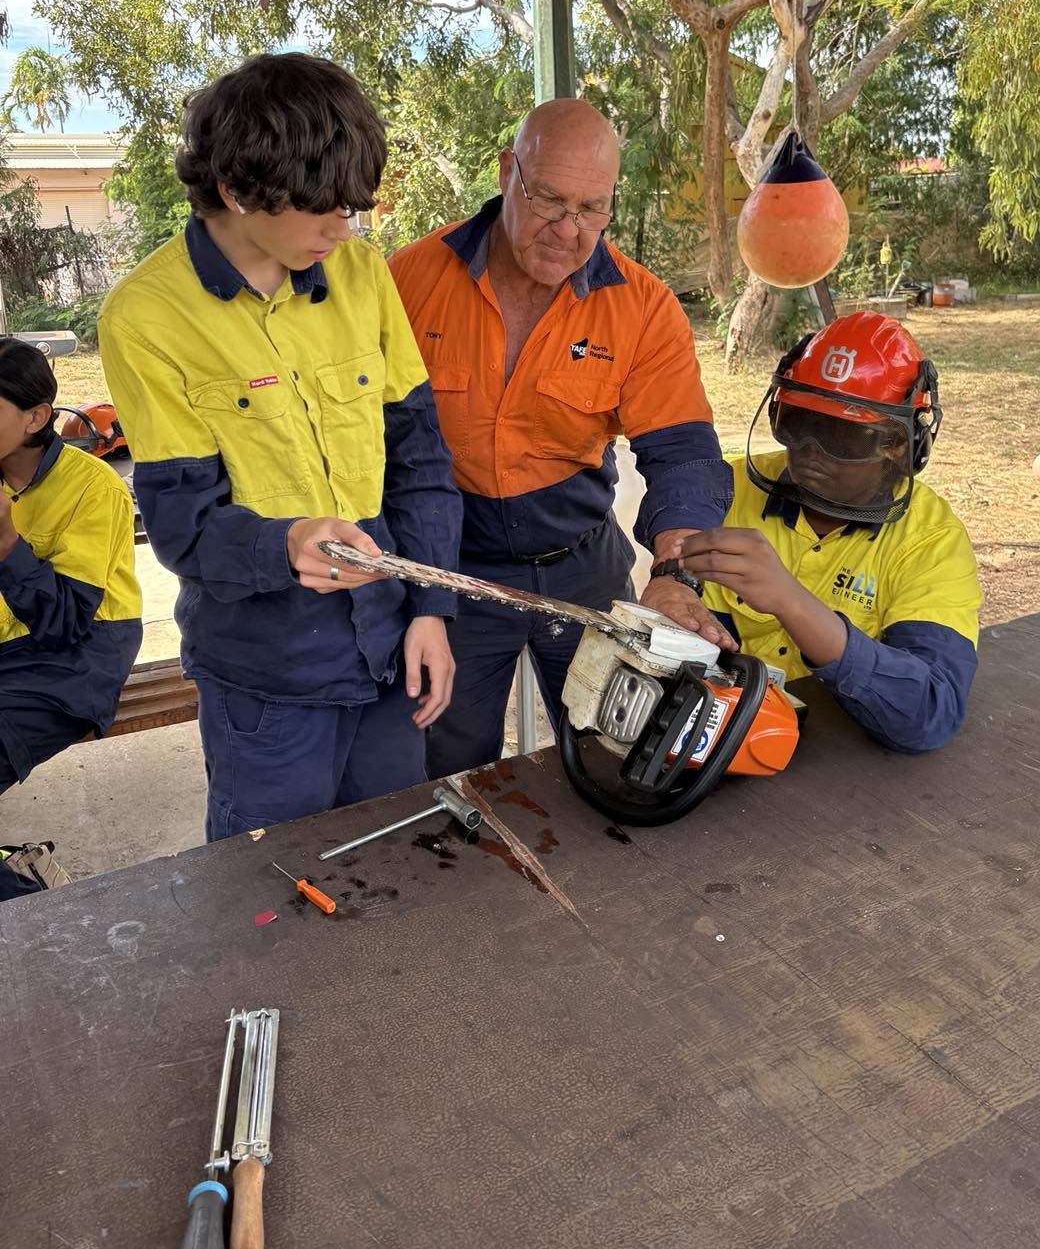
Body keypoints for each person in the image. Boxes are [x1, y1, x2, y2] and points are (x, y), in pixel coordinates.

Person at [99, 53, 463, 840]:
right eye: (323, 209)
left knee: (398, 857)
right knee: (268, 883)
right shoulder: (147, 318)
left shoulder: (361, 275)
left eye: (352, 208)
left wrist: (432, 610)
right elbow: (183, 527)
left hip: (391, 650)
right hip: (268, 678)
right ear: (237, 191)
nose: (344, 230)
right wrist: (286, 542)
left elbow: (421, 463)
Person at [390, 98, 734, 776]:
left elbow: (683, 454)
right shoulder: (409, 280)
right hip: (451, 572)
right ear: (506, 172)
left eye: (592, 208)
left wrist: (673, 573)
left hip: (584, 568)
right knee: (448, 774)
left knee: (620, 759)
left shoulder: (642, 307)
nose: (568, 230)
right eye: (548, 198)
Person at [675, 311, 983, 752]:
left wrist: (791, 602)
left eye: (842, 436)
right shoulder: (727, 491)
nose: (810, 452)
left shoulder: (930, 540)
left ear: (901, 444)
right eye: (798, 423)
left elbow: (928, 714)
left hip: (846, 757)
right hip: (727, 738)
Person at [0, 338, 142, 899]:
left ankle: (37, 914)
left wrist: (7, 543)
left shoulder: (93, 488)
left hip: (73, 662)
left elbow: (64, 624)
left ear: (36, 417)